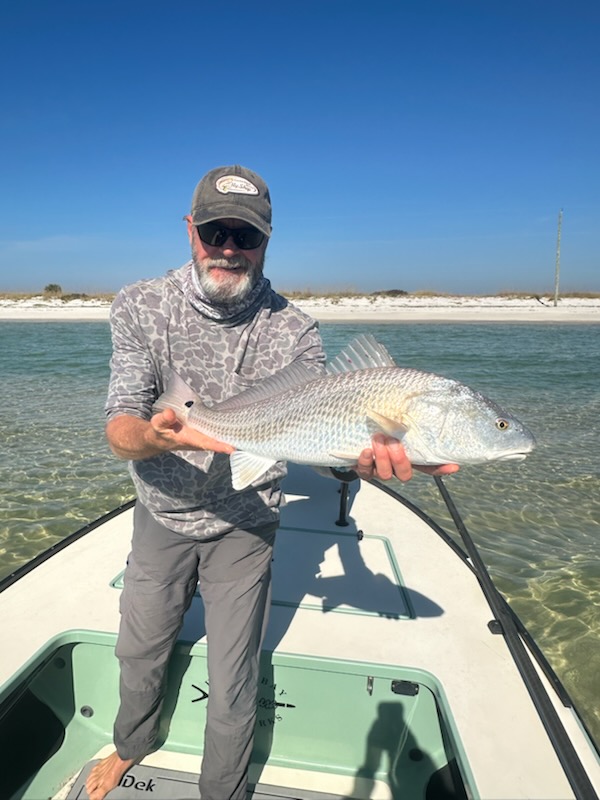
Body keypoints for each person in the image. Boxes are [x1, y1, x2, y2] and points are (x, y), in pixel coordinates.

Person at [85, 165, 458, 800]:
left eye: (245, 235)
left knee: (233, 677)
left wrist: (355, 460)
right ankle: (131, 745)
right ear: (190, 229)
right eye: (214, 231)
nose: (228, 247)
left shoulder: (295, 328)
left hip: (249, 521)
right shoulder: (141, 304)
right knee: (138, 648)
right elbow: (119, 424)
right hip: (162, 513)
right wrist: (160, 434)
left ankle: (222, 791)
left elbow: (319, 429)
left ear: (266, 239)